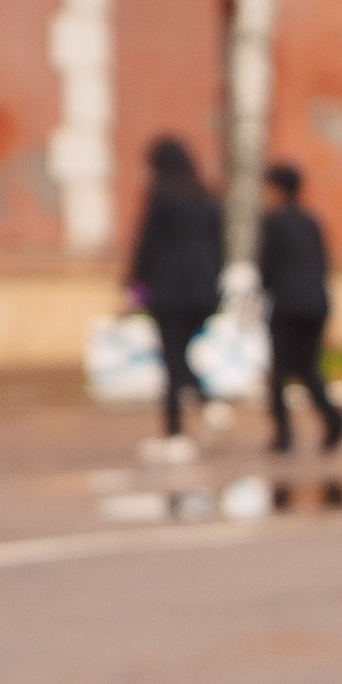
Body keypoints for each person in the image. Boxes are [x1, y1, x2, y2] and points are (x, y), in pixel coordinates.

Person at [122, 135, 222, 453]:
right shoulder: (206, 195)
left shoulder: (162, 196)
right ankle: (206, 406)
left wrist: (133, 286)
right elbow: (220, 245)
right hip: (204, 292)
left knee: (172, 358)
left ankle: (179, 429)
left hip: (170, 293)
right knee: (179, 356)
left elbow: (147, 244)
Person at [258, 163, 342, 456]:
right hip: (315, 304)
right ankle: (333, 419)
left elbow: (266, 267)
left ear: (276, 189)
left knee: (281, 372)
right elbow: (323, 263)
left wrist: (265, 289)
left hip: (286, 304)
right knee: (308, 368)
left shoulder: (273, 222)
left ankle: (283, 435)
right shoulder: (311, 221)